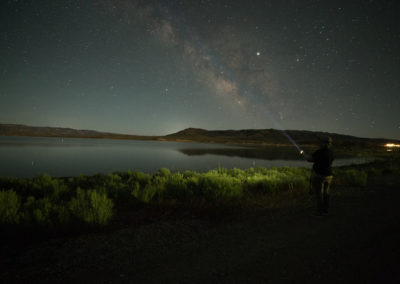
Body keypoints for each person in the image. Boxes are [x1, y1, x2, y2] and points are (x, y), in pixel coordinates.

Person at [301, 137, 334, 216]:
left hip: (319, 176)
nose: (320, 144)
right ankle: (326, 211)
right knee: (326, 193)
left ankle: (319, 212)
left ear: (324, 143)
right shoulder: (331, 152)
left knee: (319, 194)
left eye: (321, 142)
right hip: (329, 176)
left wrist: (303, 153)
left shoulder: (319, 152)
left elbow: (309, 159)